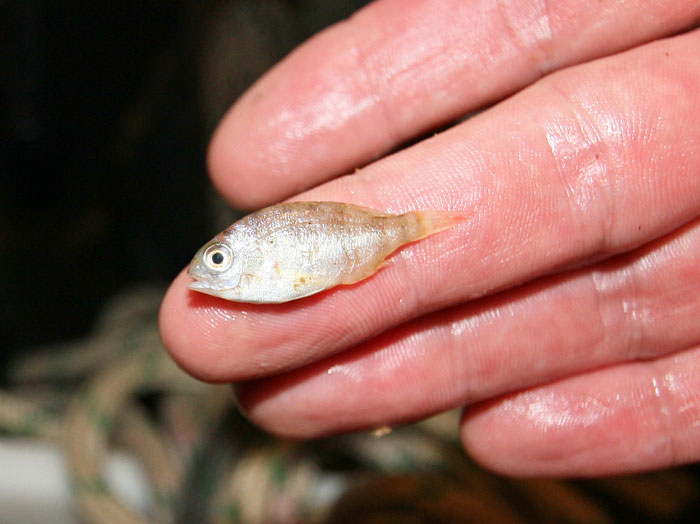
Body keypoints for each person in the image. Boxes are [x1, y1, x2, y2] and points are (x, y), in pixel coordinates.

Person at [159, 0, 700, 477]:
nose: (208, 271)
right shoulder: (246, 278)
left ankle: (422, 225)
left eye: (218, 258)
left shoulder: (258, 258)